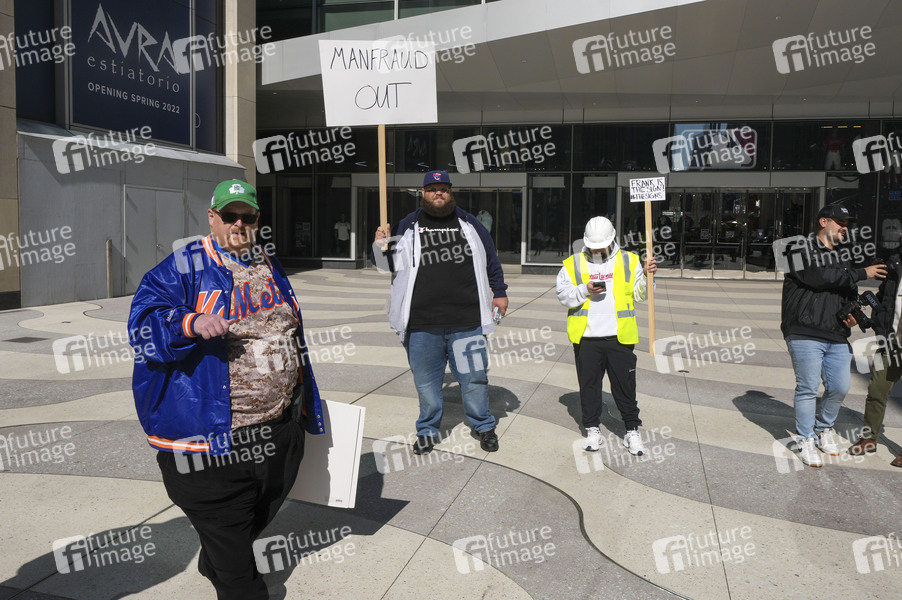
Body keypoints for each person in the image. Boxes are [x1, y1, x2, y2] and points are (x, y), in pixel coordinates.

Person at [128, 179, 325, 599]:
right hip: (213, 437)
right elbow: (142, 326)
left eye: (247, 216)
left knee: (262, 507)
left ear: (257, 219)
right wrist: (190, 323)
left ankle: (217, 557)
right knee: (232, 543)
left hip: (278, 425)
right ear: (212, 217)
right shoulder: (184, 265)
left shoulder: (267, 262)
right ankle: (235, 577)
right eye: (230, 215)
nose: (239, 223)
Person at [373, 170, 508, 455]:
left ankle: (483, 425)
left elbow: (491, 259)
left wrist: (499, 292)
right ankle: (427, 430)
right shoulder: (408, 224)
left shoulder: (470, 222)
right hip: (421, 323)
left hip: (467, 321)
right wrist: (379, 244)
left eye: (444, 189)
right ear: (423, 193)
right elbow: (386, 266)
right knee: (426, 384)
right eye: (433, 189)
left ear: (451, 192)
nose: (438, 193)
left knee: (474, 379)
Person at [781, 204, 886, 467]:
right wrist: (862, 273)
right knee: (807, 388)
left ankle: (823, 428)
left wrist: (853, 313)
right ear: (823, 221)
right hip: (804, 329)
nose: (845, 228)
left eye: (847, 224)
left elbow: (848, 290)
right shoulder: (796, 247)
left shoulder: (842, 256)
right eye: (840, 222)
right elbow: (818, 276)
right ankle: (805, 439)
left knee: (840, 387)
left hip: (836, 332)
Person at [556, 216, 657, 456]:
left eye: (601, 246)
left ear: (612, 240)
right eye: (593, 247)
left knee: (625, 387)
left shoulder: (630, 260)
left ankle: (631, 430)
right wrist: (585, 290)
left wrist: (647, 276)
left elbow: (641, 295)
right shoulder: (573, 263)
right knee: (589, 387)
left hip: (619, 338)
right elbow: (563, 296)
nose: (597, 250)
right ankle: (592, 429)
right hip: (587, 339)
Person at [848, 259, 902, 466]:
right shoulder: (895, 269)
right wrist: (878, 321)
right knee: (876, 390)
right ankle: (869, 438)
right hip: (890, 342)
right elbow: (882, 298)